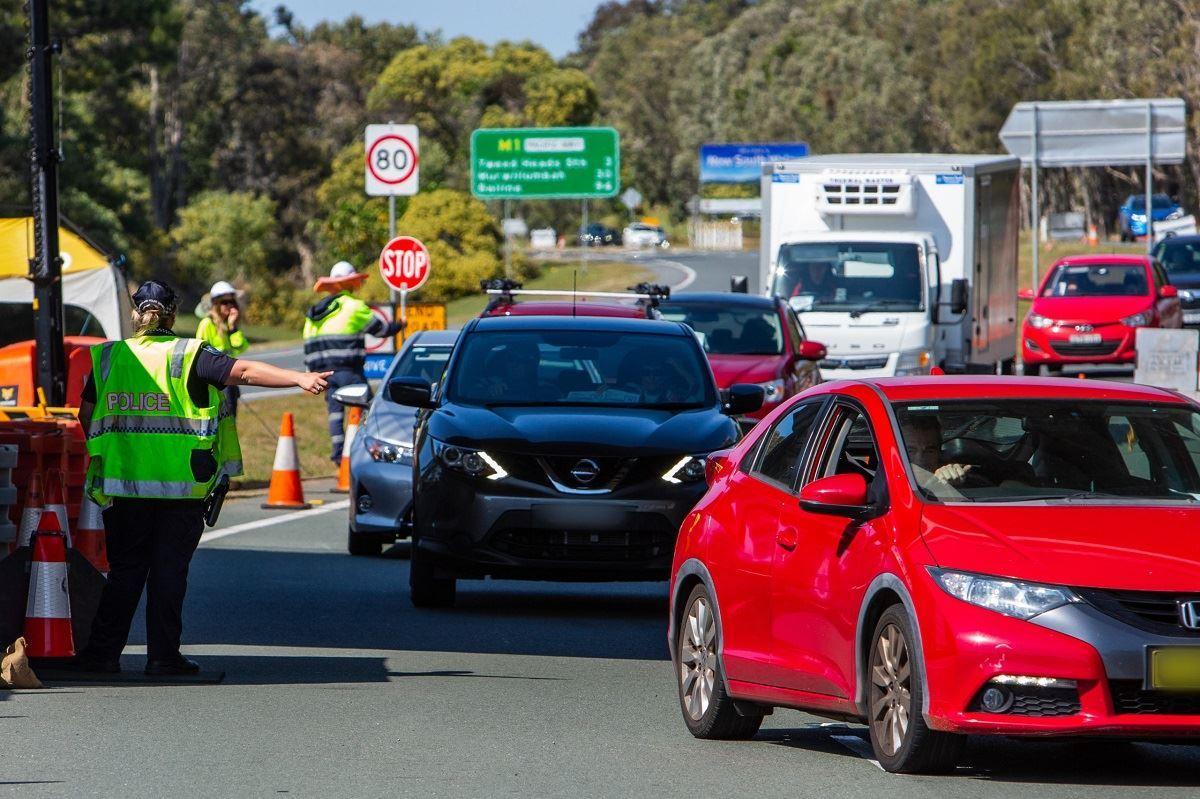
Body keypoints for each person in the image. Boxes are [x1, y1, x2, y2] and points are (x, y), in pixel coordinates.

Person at [69, 280, 332, 676]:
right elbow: (242, 371)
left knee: (125, 572)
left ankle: (101, 655)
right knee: (168, 573)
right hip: (180, 487)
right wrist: (298, 378)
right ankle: (163, 657)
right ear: (172, 315)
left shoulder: (110, 357)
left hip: (123, 487)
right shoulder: (189, 354)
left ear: (136, 314)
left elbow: (87, 416)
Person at [304, 261, 405, 463]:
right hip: (348, 369)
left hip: (322, 373)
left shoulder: (315, 313)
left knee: (335, 413)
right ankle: (376, 449)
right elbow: (380, 330)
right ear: (351, 283)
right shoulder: (353, 306)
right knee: (371, 407)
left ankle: (338, 457)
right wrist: (399, 325)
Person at [196, 280, 248, 417]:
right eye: (225, 302)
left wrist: (232, 328)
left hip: (229, 381)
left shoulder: (227, 326)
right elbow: (198, 355)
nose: (230, 306)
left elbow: (240, 347)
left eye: (232, 302)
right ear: (216, 304)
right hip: (215, 385)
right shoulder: (207, 324)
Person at [901, 415, 975, 493]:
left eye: (929, 451)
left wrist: (952, 486)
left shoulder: (954, 478)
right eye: (910, 451)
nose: (920, 459)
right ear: (898, 450)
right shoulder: (889, 484)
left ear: (939, 452)